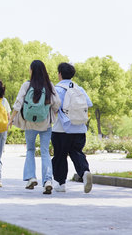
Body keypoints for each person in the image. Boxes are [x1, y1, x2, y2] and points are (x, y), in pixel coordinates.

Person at [9, 60, 60, 194]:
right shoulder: (49, 86)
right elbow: (57, 103)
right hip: (45, 124)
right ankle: (48, 180)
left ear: (32, 71)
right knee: (45, 152)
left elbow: (18, 102)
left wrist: (11, 118)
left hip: (29, 123)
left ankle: (31, 178)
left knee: (30, 150)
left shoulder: (27, 85)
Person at [51, 62, 93, 193]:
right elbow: (89, 104)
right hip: (79, 128)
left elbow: (54, 106)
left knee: (60, 156)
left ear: (59, 74)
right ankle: (84, 172)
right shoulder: (79, 88)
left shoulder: (56, 89)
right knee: (77, 152)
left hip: (61, 129)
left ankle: (61, 183)